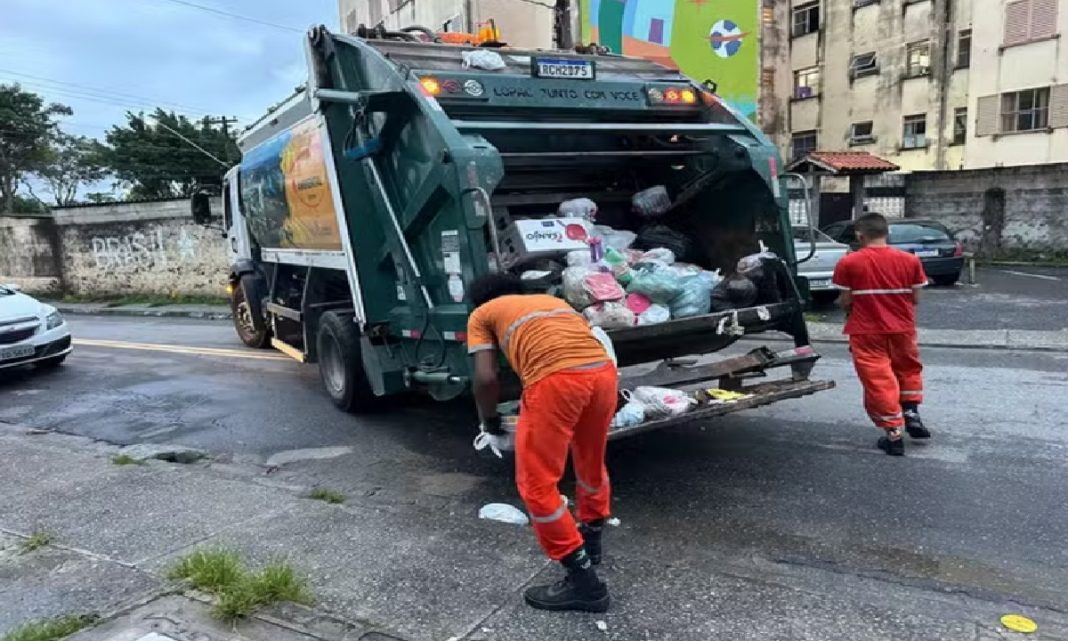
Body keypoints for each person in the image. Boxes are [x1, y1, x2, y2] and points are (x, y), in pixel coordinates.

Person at [466, 272, 617, 612]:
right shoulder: (554, 301)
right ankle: (591, 545)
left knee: (536, 485)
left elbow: (486, 379)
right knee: (590, 461)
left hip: (556, 380)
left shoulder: (482, 314)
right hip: (602, 374)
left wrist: (489, 420)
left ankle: (584, 584)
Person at [832, 213, 932, 456]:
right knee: (907, 369)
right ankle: (911, 412)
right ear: (887, 233)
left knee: (879, 379)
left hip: (866, 331)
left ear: (859, 235)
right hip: (903, 328)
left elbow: (846, 301)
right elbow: (916, 298)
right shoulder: (910, 260)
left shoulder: (850, 262)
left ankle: (893, 434)